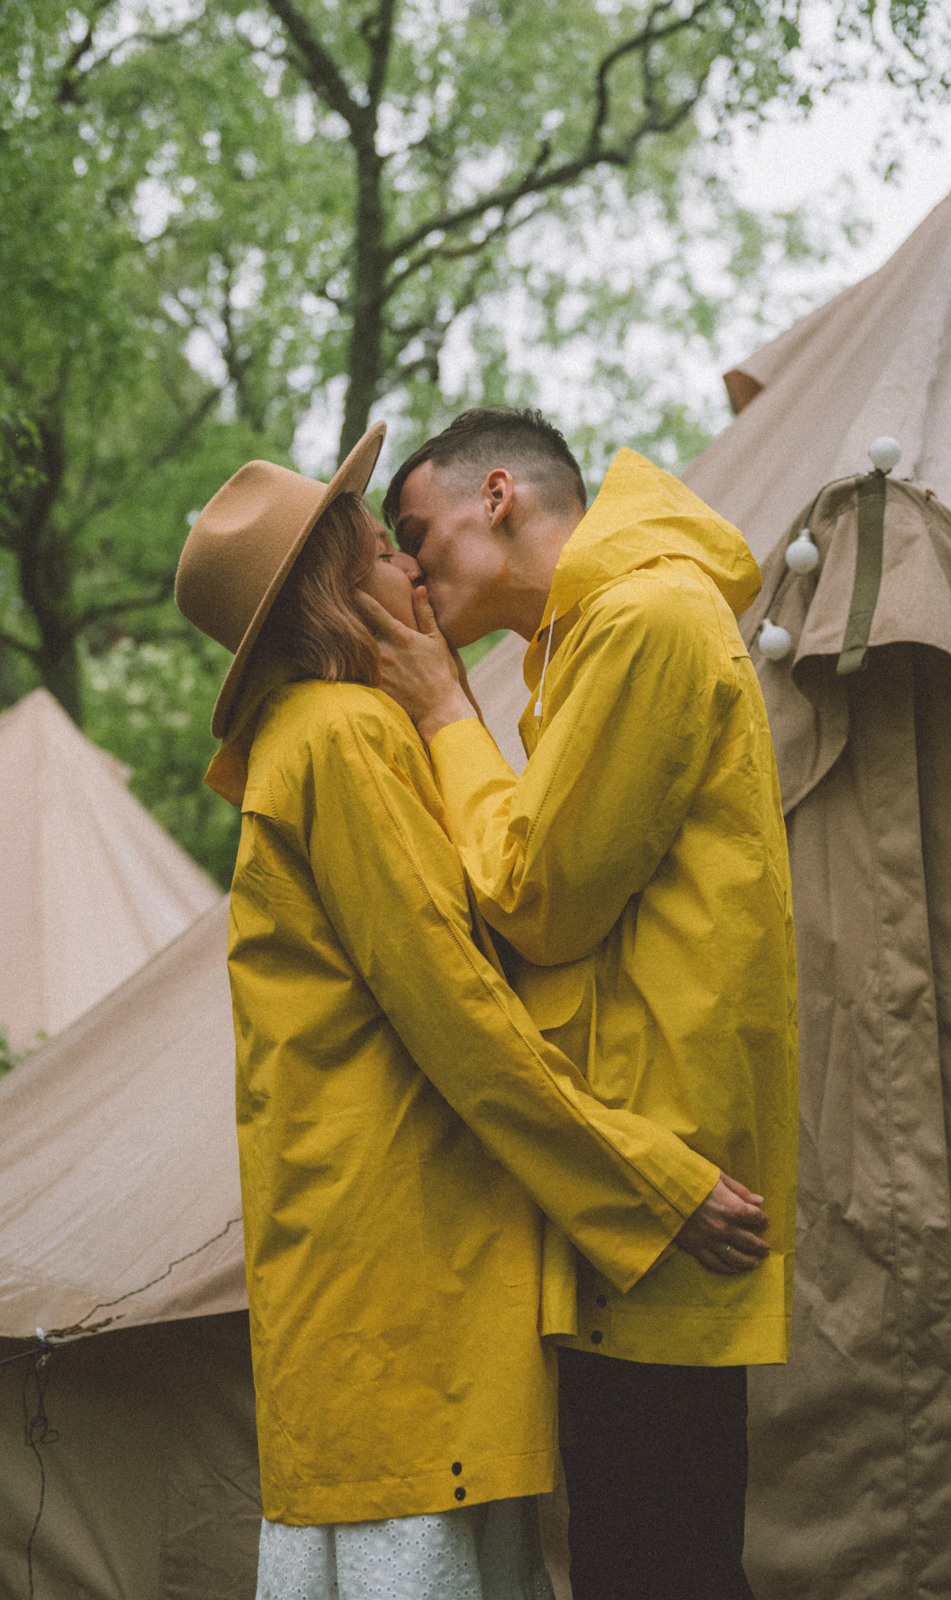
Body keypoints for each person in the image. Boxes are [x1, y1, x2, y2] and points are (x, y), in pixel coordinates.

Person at [173, 422, 771, 1600]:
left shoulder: (344, 731)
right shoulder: (341, 739)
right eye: (387, 551)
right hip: (411, 1284)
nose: (412, 572)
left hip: (423, 1278)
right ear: (340, 587)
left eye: (414, 540)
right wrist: (649, 1178)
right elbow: (468, 1007)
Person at [359, 407, 798, 1600]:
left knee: (660, 1561)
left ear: (495, 495)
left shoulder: (646, 618)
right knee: (641, 1551)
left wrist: (446, 707)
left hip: (662, 1194)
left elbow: (540, 897)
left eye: (414, 532)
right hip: (624, 1186)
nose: (405, 568)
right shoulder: (592, 635)